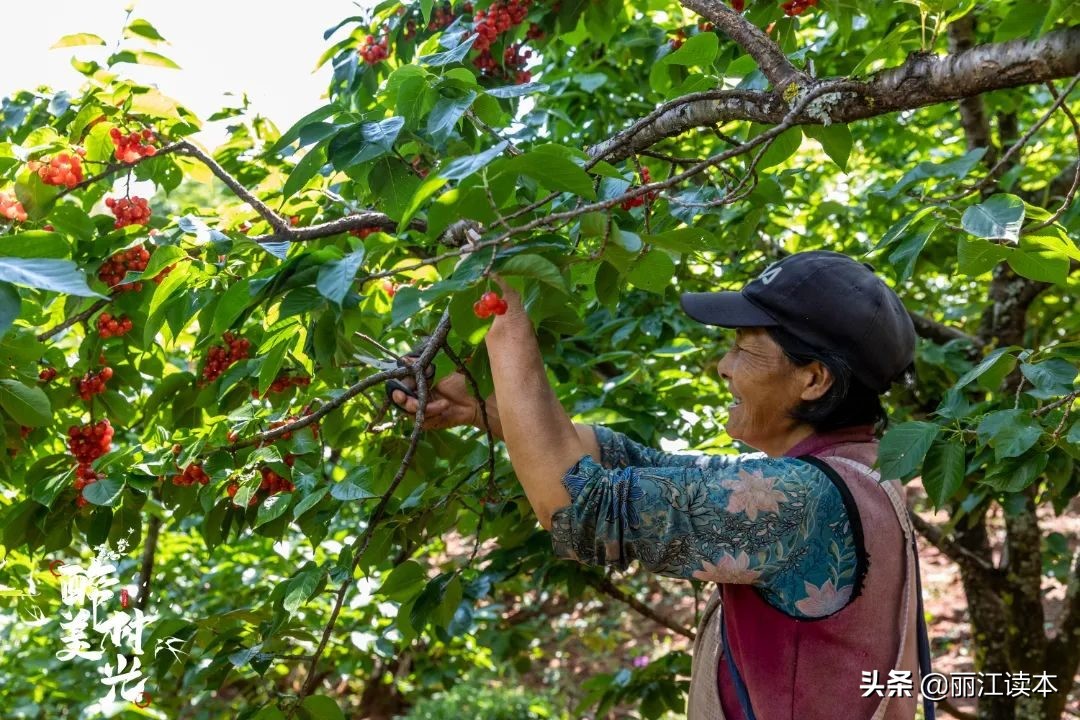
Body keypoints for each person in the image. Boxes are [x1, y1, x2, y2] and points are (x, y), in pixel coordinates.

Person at [391, 250, 933, 720]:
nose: (723, 365)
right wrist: (488, 409)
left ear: (814, 379)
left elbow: (575, 503)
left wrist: (506, 326)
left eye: (745, 349)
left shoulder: (800, 501)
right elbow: (631, 463)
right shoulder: (855, 471)